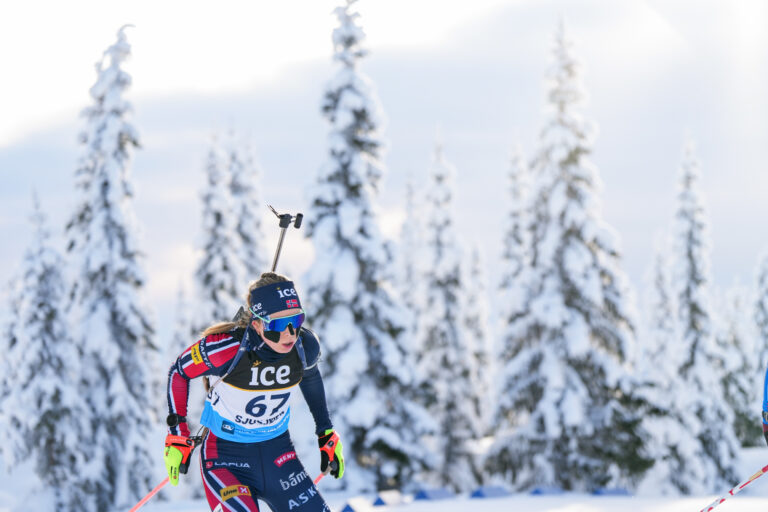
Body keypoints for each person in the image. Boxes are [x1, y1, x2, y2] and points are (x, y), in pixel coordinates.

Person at [164, 272, 344, 512]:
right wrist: (178, 434)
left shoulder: (304, 347)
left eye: (296, 321)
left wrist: (326, 433)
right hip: (225, 458)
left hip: (278, 455)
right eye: (278, 325)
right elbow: (179, 372)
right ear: (257, 323)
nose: (289, 333)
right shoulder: (226, 349)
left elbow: (310, 376)